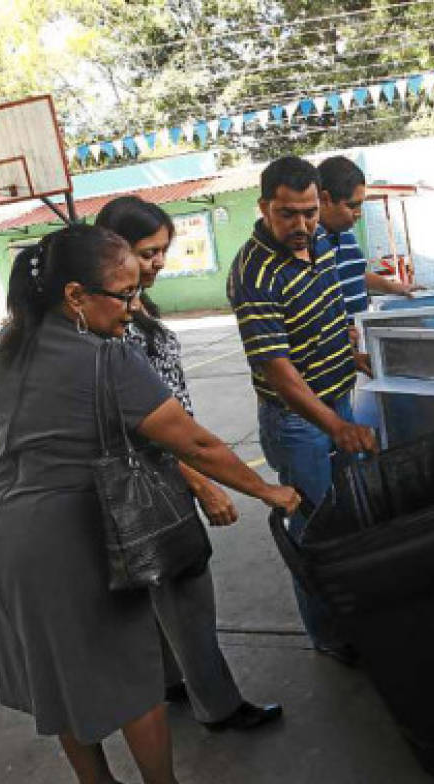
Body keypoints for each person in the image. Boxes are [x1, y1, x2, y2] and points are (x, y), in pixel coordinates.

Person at [0, 224, 299, 784]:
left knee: (58, 670)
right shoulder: (108, 357)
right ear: (75, 296)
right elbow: (194, 441)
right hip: (70, 531)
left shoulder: (11, 342)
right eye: (122, 294)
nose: (134, 306)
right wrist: (267, 489)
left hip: (1, 528)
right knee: (133, 669)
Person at [94, 195, 283, 732]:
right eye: (147, 253)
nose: (157, 264)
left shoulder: (131, 309)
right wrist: (205, 485)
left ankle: (173, 681)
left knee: (158, 589)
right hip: (159, 472)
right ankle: (218, 705)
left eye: (162, 252)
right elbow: (153, 429)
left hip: (161, 468)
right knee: (186, 590)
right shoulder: (115, 327)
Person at [227, 156, 377, 665]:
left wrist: (351, 354)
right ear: (264, 207)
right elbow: (279, 372)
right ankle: (329, 635)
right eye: (288, 214)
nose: (302, 226)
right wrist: (336, 427)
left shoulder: (321, 245)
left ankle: (357, 615)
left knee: (353, 516)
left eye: (310, 213)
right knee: (316, 532)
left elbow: (331, 311)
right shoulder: (253, 273)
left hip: (337, 399)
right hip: (299, 425)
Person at [315, 155, 418, 324]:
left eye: (360, 205)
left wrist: (395, 288)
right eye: (352, 206)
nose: (359, 214)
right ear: (325, 199)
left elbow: (356, 274)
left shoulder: (346, 234)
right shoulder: (309, 246)